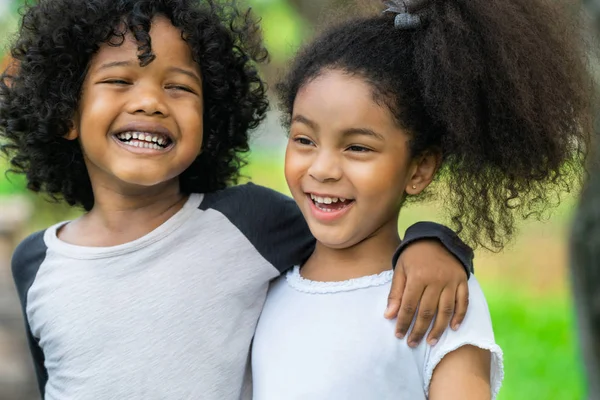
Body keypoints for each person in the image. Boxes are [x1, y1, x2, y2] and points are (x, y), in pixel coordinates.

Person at [0, 0, 476, 398]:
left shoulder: (250, 222)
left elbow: (354, 235)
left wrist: (431, 241)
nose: (150, 102)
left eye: (179, 87)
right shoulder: (35, 262)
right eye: (120, 81)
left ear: (209, 119)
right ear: (65, 112)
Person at [251, 0, 592, 398]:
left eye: (358, 148)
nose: (323, 168)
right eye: (305, 140)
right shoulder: (261, 277)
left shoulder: (434, 300)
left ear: (419, 170)